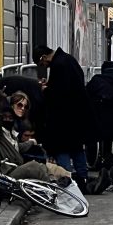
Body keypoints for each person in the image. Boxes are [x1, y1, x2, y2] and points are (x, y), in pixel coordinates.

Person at [33, 45, 92, 192]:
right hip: (76, 114)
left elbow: (59, 94)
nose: (44, 66)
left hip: (64, 117)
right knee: (77, 148)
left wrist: (46, 90)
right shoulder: (68, 59)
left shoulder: (58, 65)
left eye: (42, 64)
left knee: (62, 149)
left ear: (43, 57)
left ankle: (67, 182)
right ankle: (83, 178)